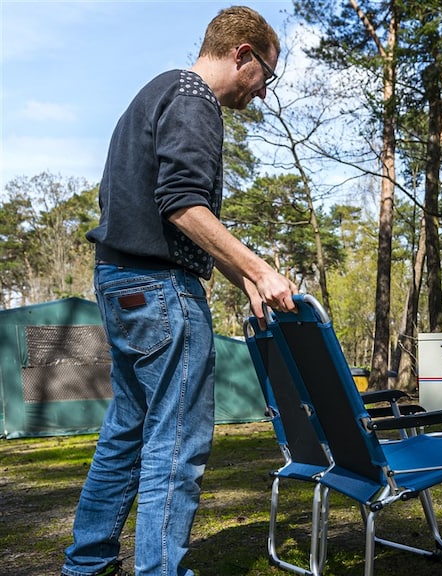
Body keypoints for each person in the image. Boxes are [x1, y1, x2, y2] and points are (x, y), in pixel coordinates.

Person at [61, 7, 297, 576]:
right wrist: (260, 269)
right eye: (266, 74)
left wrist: (240, 279)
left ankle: (87, 564)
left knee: (126, 432)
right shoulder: (194, 98)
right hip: (161, 290)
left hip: (119, 283)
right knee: (177, 443)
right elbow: (182, 204)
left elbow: (154, 203)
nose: (263, 93)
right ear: (241, 53)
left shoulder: (156, 91)